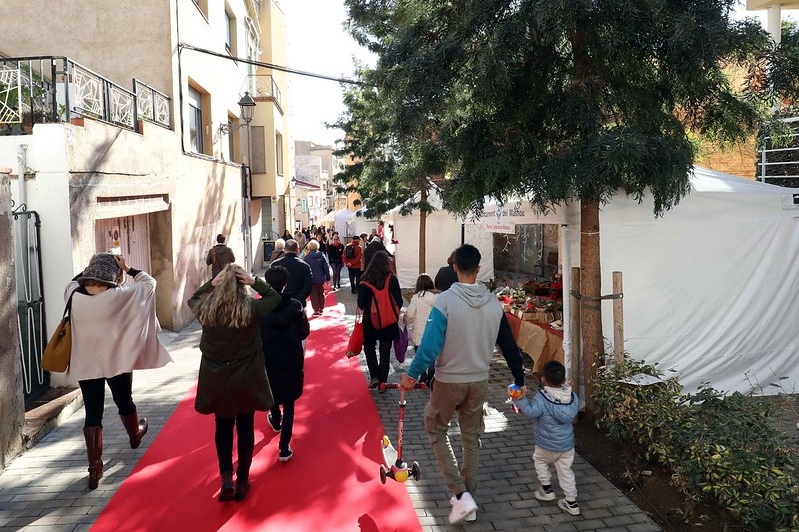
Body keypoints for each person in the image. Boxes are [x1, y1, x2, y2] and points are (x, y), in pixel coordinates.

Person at [399, 244, 526, 524]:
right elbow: (509, 346)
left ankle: (460, 494)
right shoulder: (494, 304)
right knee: (471, 436)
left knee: (434, 427)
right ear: (478, 269)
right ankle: (467, 495)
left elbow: (430, 347)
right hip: (479, 380)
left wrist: (413, 375)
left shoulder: (444, 302)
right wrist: (519, 378)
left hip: (448, 380)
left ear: (454, 267)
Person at [66, 252, 172, 490]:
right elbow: (149, 283)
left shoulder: (73, 294)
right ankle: (135, 435)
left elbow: (75, 280)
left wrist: (89, 268)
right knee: (124, 400)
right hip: (117, 361)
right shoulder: (121, 295)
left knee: (93, 412)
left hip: (86, 362)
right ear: (114, 275)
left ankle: (95, 469)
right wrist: (129, 268)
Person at [188, 264, 281, 502]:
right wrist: (254, 281)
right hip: (246, 377)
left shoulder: (206, 309)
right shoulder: (250, 308)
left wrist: (211, 283)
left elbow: (193, 299)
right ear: (242, 286)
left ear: (219, 285)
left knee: (223, 427)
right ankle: (243, 479)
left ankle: (226, 477)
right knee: (245, 426)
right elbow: (275, 297)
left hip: (217, 378)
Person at [512, 360, 580, 516]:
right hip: (566, 445)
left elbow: (530, 412)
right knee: (566, 472)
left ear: (543, 379)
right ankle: (571, 502)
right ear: (564, 379)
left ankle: (547, 489)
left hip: (545, 444)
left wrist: (520, 399)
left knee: (540, 461)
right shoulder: (572, 397)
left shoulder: (542, 398)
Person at [259, 266, 310, 462]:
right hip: (291, 356)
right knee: (289, 402)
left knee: (272, 390)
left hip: (268, 356)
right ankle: (284, 446)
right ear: (285, 283)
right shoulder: (295, 306)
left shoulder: (260, 308)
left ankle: (275, 418)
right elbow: (304, 332)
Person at [358, 250, 403, 391]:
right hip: (389, 321)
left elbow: (360, 303)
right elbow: (399, 301)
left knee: (370, 348)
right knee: (385, 350)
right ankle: (383, 381)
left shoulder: (365, 279)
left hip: (370, 322)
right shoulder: (392, 279)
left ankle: (374, 376)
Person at [403, 273, 438, 387]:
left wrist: (405, 320)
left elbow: (410, 314)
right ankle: (432, 375)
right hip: (432, 331)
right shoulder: (436, 298)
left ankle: (423, 376)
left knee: (420, 353)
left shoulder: (416, 297)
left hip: (419, 332)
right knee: (432, 355)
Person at [271, 239, 313, 307]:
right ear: (298, 250)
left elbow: (270, 284)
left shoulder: (275, 264)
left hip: (279, 302)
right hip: (299, 303)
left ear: (284, 249)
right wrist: (299, 300)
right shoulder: (305, 266)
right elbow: (308, 286)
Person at [303, 239, 331, 316]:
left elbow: (305, 269)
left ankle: (316, 310)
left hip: (311, 279)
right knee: (321, 293)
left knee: (313, 295)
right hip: (320, 278)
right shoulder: (322, 255)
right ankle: (321, 308)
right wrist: (328, 277)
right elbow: (326, 267)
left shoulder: (307, 257)